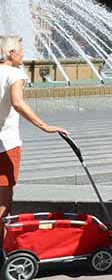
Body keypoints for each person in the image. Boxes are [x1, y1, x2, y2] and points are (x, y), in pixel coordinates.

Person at [0, 37, 68, 243]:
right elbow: (18, 103)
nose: (23, 54)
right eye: (21, 50)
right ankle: (3, 248)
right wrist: (45, 126)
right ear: (11, 53)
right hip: (5, 144)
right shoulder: (15, 73)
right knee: (3, 200)